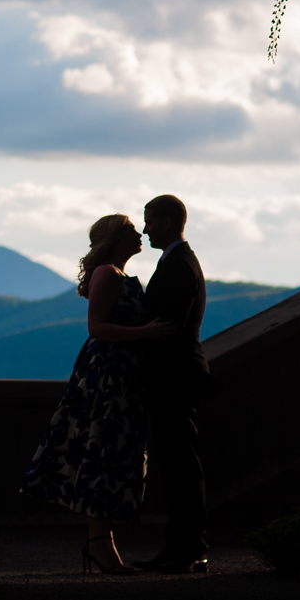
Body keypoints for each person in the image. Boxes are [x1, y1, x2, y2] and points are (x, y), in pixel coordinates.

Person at [20, 213, 175, 574]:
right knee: (101, 452)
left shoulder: (117, 274)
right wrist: (146, 333)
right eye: (131, 231)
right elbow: (97, 328)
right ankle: (99, 545)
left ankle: (103, 545)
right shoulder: (107, 273)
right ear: (115, 239)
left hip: (121, 376)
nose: (140, 234)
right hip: (107, 376)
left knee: (111, 453)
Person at [131, 193, 217, 574]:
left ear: (166, 221)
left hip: (175, 379)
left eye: (149, 221)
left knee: (182, 467)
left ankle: (188, 548)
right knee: (178, 466)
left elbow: (169, 327)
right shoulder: (179, 261)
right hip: (176, 377)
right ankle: (180, 546)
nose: (145, 229)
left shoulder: (179, 265)